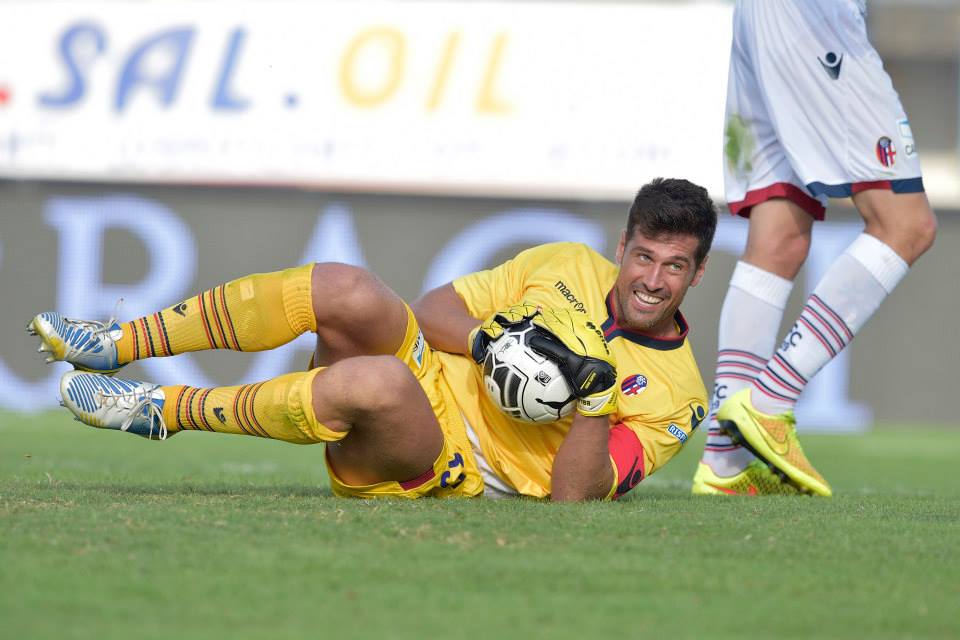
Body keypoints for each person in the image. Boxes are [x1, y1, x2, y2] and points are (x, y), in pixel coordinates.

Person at [30, 178, 717, 502]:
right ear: (622, 245)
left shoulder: (679, 394)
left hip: (453, 470)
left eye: (674, 265)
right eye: (644, 256)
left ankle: (158, 412)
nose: (652, 279)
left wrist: (591, 399)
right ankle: (117, 343)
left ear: (698, 272)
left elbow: (577, 499)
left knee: (381, 384)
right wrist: (490, 346)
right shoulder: (565, 261)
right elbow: (433, 311)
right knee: (347, 287)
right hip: (437, 381)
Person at [692, 0, 937, 497]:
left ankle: (724, 458)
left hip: (759, 19)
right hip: (816, 17)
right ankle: (769, 400)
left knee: (780, 235)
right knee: (906, 224)